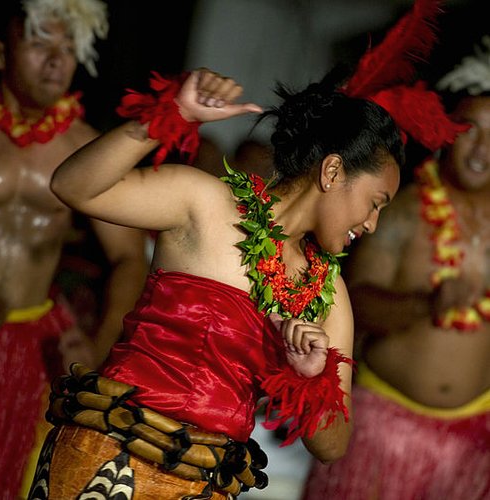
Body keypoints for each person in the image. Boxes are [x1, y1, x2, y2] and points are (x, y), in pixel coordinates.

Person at [25, 56, 406, 498]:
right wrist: (172, 116)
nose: (373, 223)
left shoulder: (327, 294)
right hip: (108, 455)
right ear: (333, 171)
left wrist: (309, 377)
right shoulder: (204, 204)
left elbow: (333, 446)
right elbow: (73, 186)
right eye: (375, 202)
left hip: (206, 484)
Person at [302, 36, 490, 500]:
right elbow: (355, 306)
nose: (483, 149)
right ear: (448, 131)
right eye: (472, 130)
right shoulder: (402, 211)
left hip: (474, 439)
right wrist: (428, 303)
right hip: (385, 428)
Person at [0, 1, 147, 498]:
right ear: (0, 52)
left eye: (67, 48)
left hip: (35, 343)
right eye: (40, 45)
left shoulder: (85, 150)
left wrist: (100, 346)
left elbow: (129, 257)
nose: (56, 61)